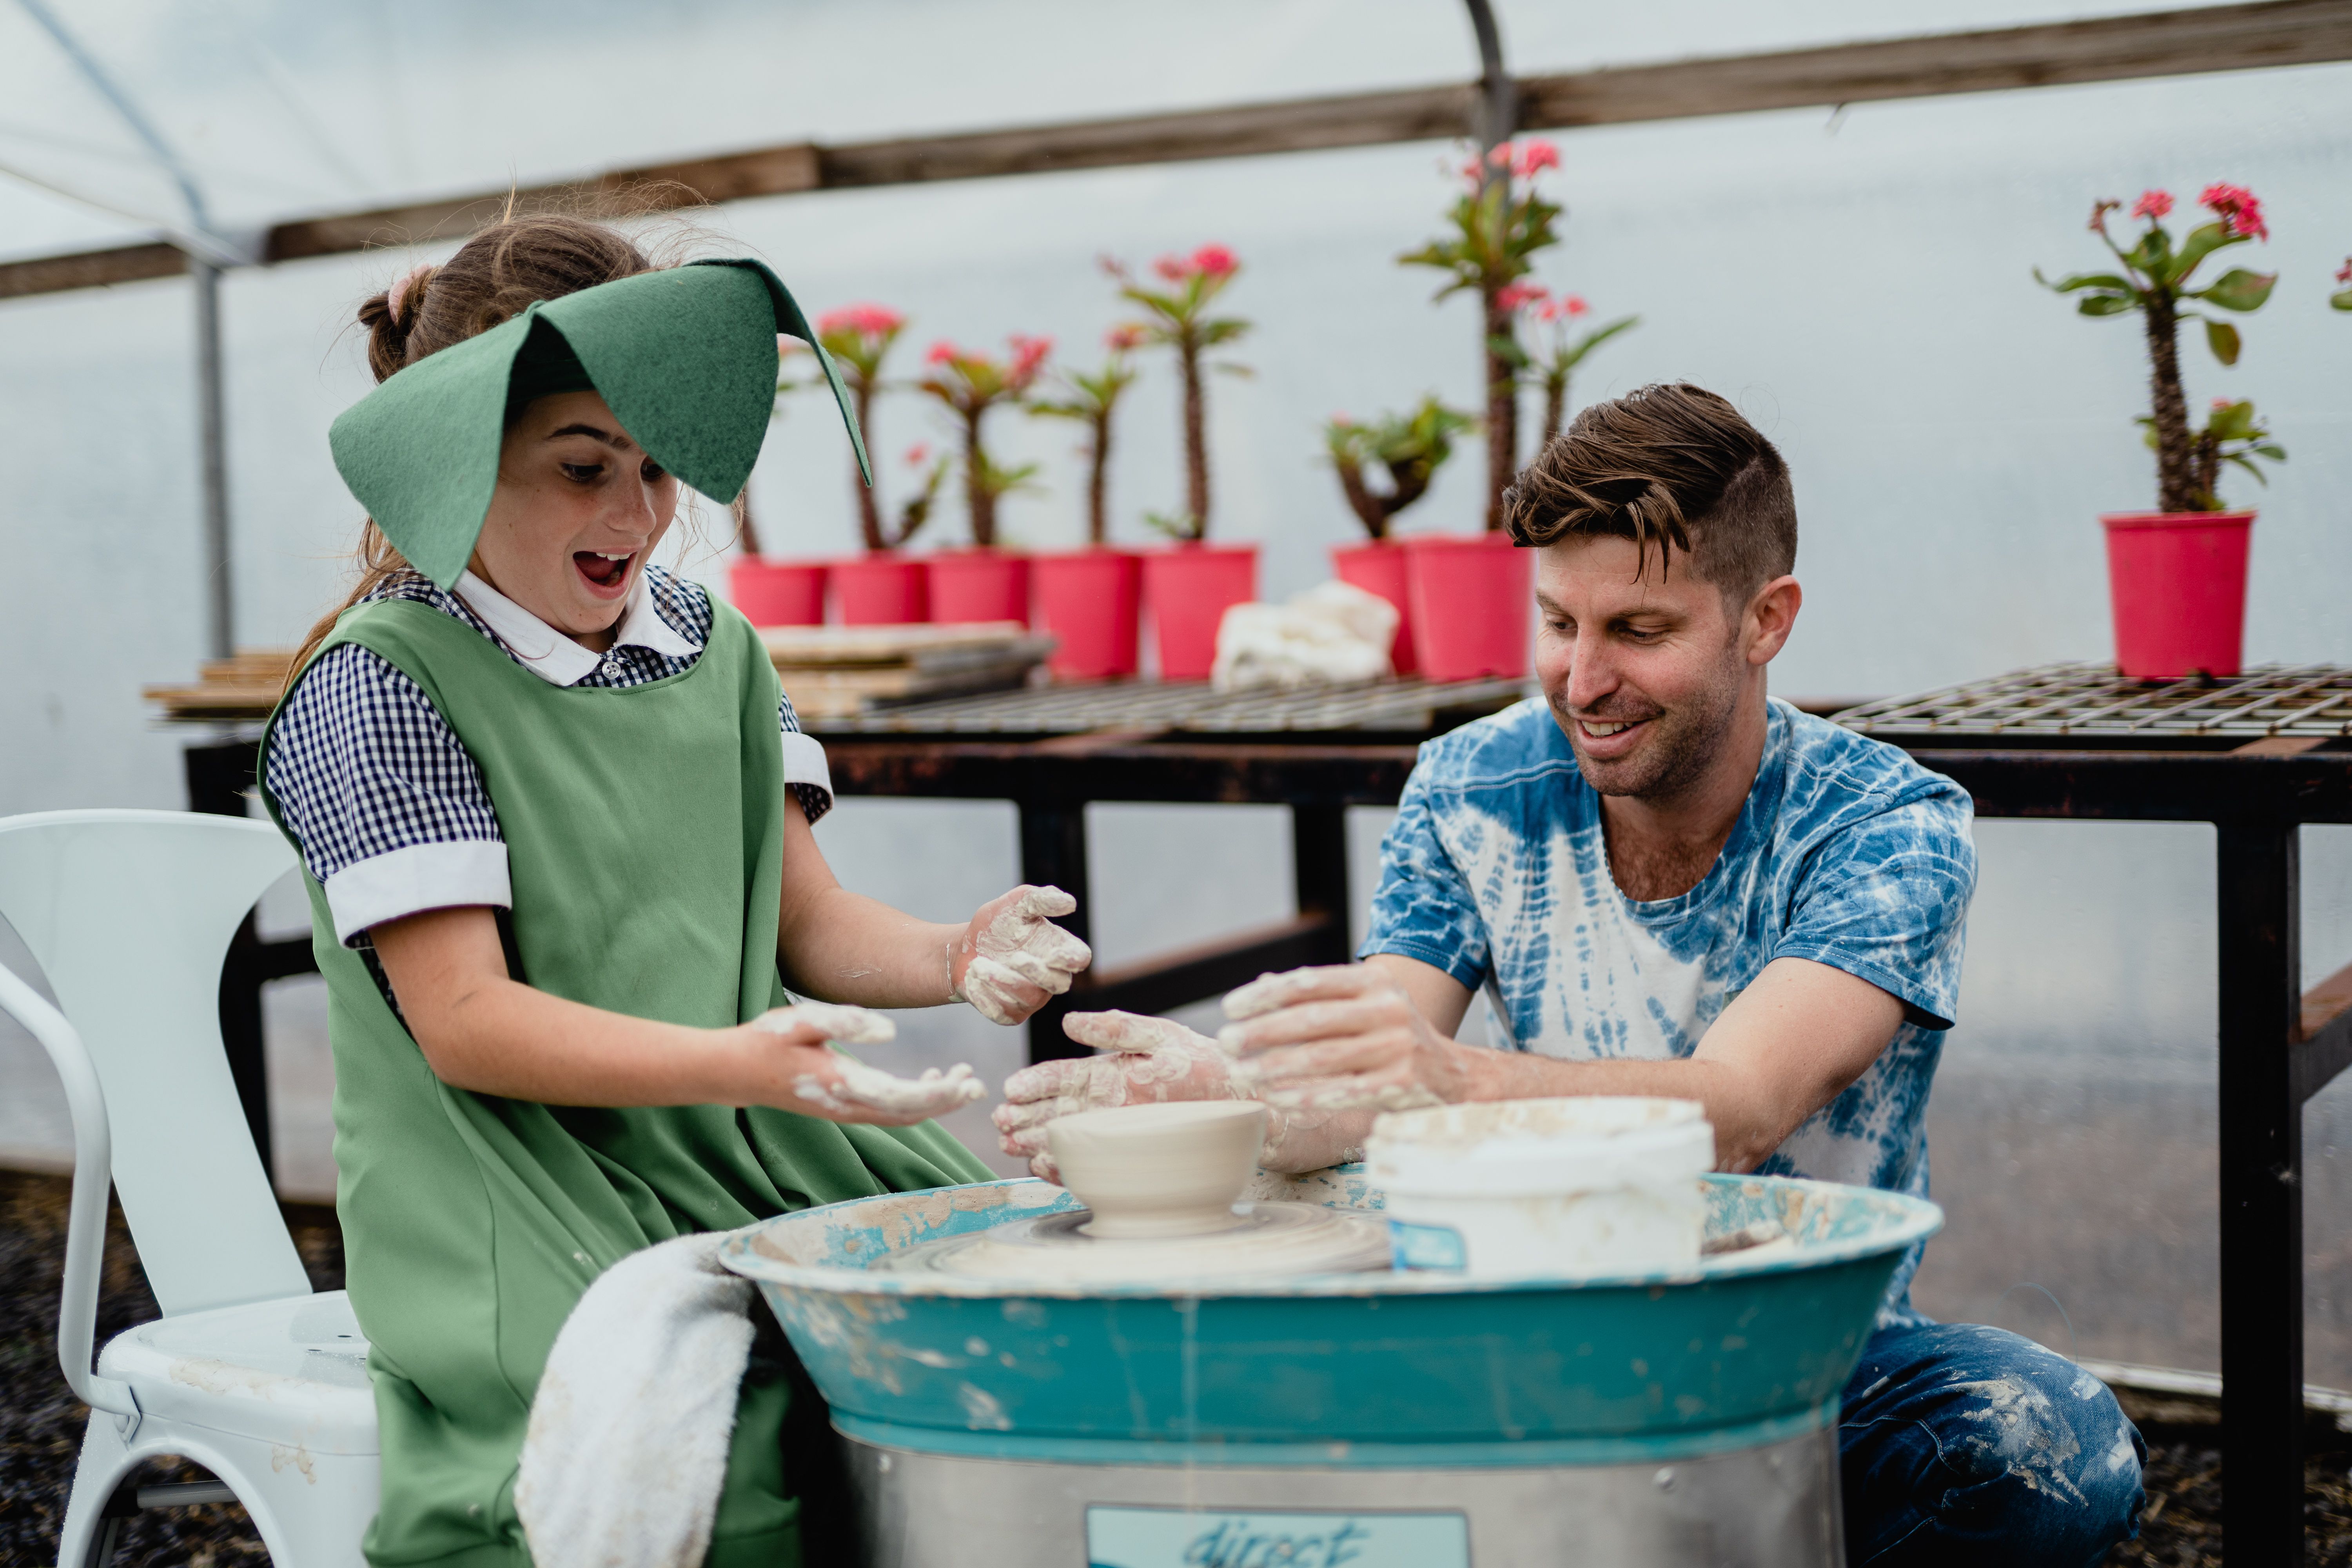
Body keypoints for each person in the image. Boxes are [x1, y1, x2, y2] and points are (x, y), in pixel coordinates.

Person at [997, 383, 2144, 1566]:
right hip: (1504, 1331)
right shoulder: (1471, 786)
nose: (1581, 680)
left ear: (1767, 620)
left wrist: (1440, 1075)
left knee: (2045, 1449)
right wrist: (1221, 1096)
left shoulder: (1886, 825)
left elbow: (1739, 1111)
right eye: (1558, 623)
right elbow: (1369, 1068)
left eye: (1640, 632)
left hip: (1794, 1362)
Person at [261, 214, 1090, 1568]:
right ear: (455, 462)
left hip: (754, 1140)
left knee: (1000, 1321)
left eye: (656, 468)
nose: (636, 515)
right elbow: (466, 1022)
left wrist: (958, 953)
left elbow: (810, 924)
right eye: (584, 466)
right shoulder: (381, 688)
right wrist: (739, 1062)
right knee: (736, 1439)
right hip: (518, 1190)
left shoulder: (714, 648)